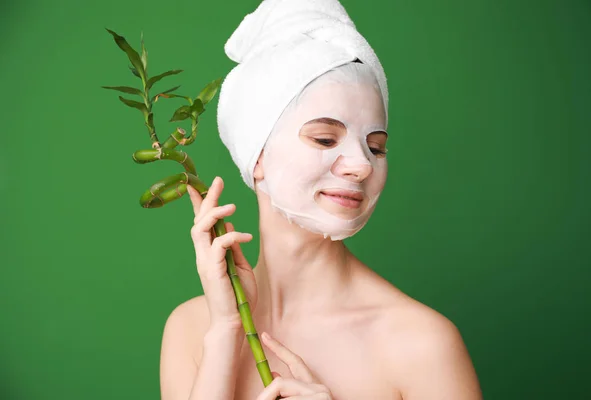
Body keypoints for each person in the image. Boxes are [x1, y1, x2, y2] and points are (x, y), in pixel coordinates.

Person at [160, 1, 482, 399]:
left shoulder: (421, 343)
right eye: (325, 139)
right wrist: (225, 333)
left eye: (376, 147)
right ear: (256, 155)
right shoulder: (192, 329)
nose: (361, 165)